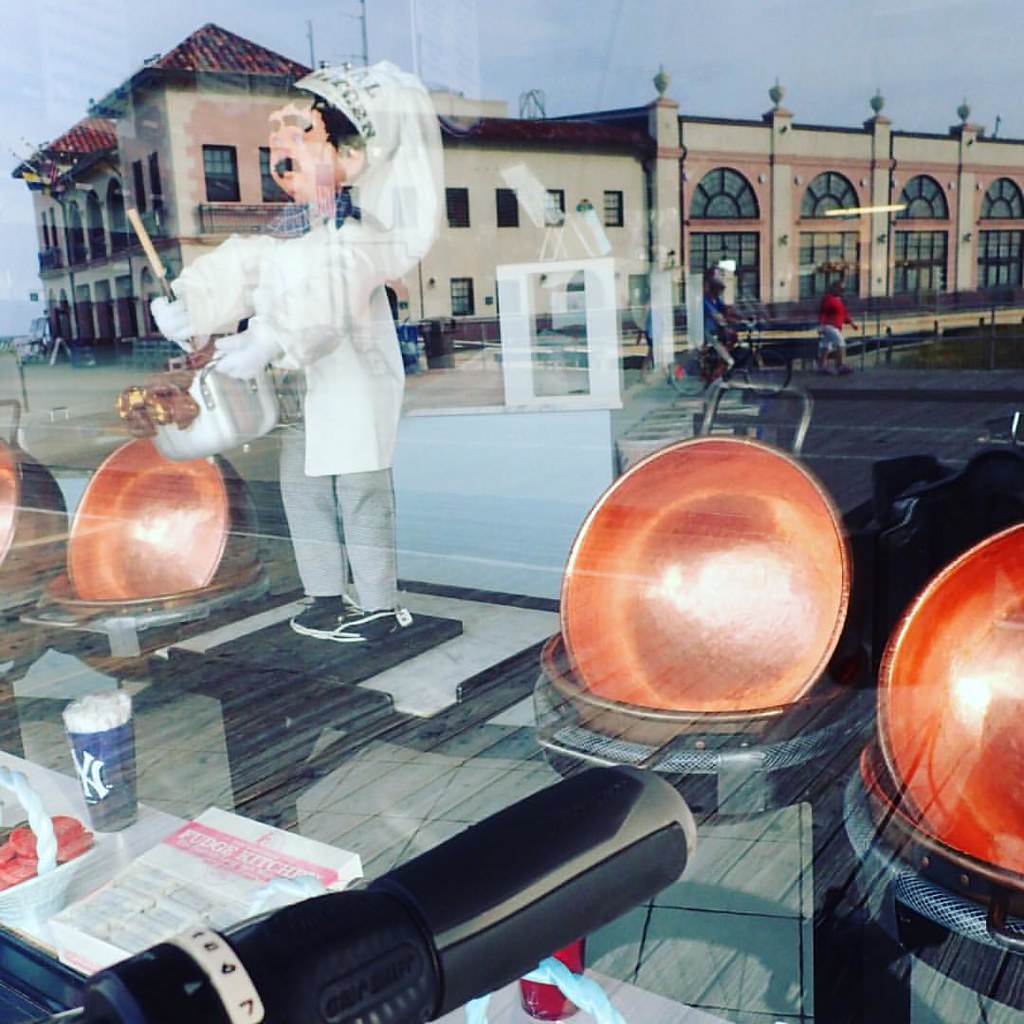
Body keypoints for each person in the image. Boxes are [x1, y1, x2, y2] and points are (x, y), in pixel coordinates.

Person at [150, 61, 443, 644]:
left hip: (353, 389)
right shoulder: (287, 231)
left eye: (304, 134)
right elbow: (242, 265)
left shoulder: (358, 234)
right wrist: (190, 301)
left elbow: (332, 292)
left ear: (351, 156)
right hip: (297, 396)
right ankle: (325, 594)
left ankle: (378, 603)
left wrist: (271, 337)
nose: (283, 148)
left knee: (361, 494)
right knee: (303, 492)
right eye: (281, 137)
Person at [817, 278, 858, 375]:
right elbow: (823, 312)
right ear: (834, 288)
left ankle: (822, 366)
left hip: (834, 325)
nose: (842, 291)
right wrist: (821, 324)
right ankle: (840, 365)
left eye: (843, 289)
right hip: (829, 325)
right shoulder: (828, 298)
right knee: (840, 342)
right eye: (840, 288)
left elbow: (843, 314)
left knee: (826, 345)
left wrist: (851, 323)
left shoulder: (838, 300)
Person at [702, 267, 740, 370]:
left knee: (732, 337)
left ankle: (722, 362)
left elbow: (724, 309)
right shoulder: (705, 299)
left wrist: (738, 316)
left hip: (715, 328)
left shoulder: (715, 298)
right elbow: (715, 315)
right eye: (718, 289)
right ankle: (727, 361)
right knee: (717, 342)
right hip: (705, 329)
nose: (719, 292)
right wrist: (726, 322)